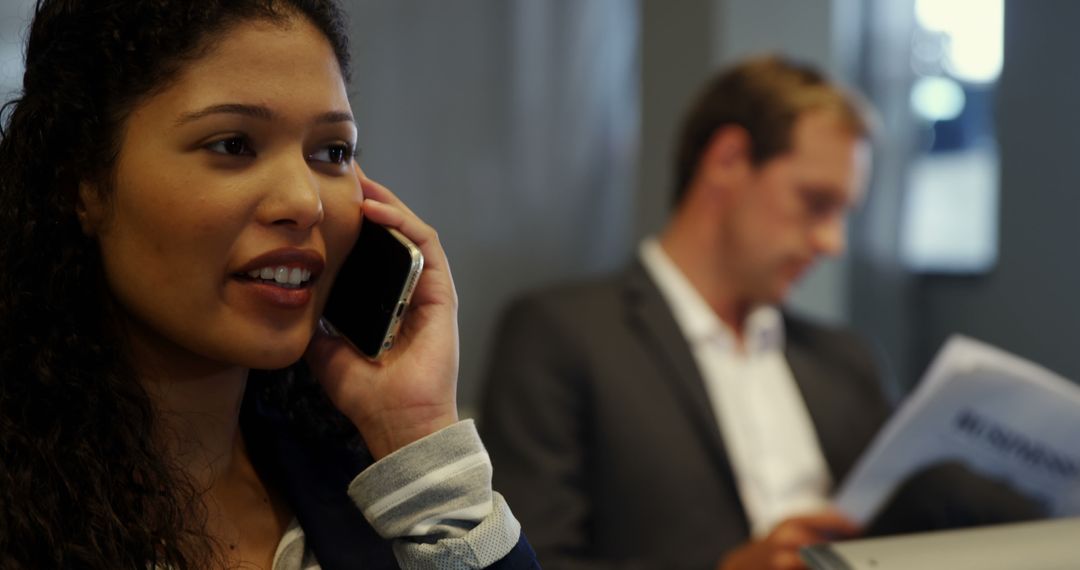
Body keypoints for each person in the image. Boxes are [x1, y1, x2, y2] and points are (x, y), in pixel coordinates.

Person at [0, 2, 538, 569]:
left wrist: (417, 437)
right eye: (233, 145)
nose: (305, 202)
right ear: (80, 182)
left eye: (332, 152)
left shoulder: (363, 487)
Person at [479, 56, 1038, 570]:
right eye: (816, 203)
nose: (833, 241)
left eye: (844, 213)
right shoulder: (560, 333)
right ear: (727, 161)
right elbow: (536, 562)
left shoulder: (845, 359)